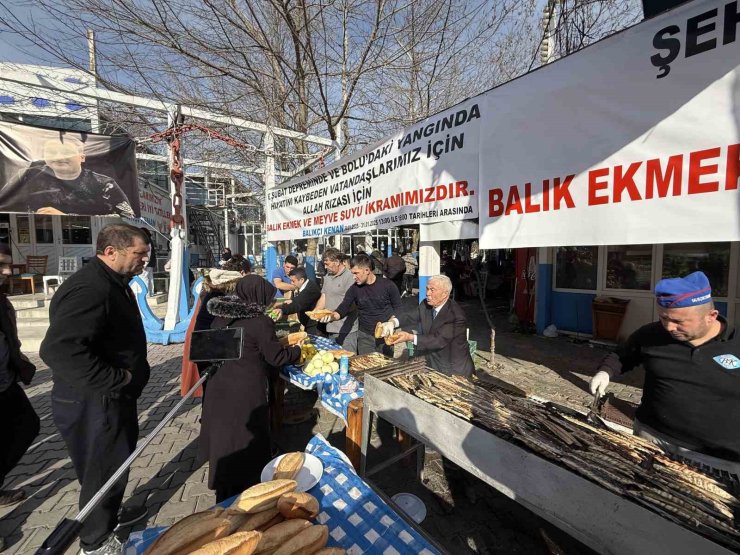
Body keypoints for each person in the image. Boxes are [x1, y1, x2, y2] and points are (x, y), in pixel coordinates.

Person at [39, 224, 151, 555]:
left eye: (146, 253)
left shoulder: (114, 282)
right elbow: (58, 350)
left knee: (110, 465)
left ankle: (108, 516)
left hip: (107, 399)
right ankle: (95, 541)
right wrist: (119, 379)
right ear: (110, 251)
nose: (145, 259)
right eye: (139, 253)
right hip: (95, 401)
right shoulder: (92, 289)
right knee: (103, 470)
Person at [589, 271, 740, 472]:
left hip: (717, 456)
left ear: (710, 317)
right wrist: (606, 372)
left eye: (679, 322)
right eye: (663, 318)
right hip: (650, 437)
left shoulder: (736, 343)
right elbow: (623, 355)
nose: (669, 327)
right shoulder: (651, 335)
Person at [200, 275, 301, 501]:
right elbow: (276, 357)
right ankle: (249, 494)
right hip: (245, 391)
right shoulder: (259, 322)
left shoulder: (221, 317)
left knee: (227, 440)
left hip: (219, 388)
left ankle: (224, 491)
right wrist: (298, 352)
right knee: (246, 439)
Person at [0, 243, 40, 552]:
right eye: (0, 264)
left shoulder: (2, 300)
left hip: (5, 382)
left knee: (28, 425)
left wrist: (18, 361)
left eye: (8, 265)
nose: (6, 271)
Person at [0, 138, 134, 217]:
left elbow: (128, 217)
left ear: (82, 157)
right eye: (52, 152)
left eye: (66, 152)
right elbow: (5, 206)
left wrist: (66, 218)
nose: (59, 157)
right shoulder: (26, 177)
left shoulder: (103, 184)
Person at [180, 257, 251, 398]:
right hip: (213, 345)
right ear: (242, 272)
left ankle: (209, 415)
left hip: (203, 342)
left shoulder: (214, 286)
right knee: (218, 390)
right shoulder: (227, 291)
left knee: (211, 389)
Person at [386, 275, 474, 377]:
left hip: (453, 368)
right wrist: (393, 322)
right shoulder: (426, 304)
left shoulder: (456, 315)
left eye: (432, 290)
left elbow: (437, 340)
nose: (427, 293)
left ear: (445, 293)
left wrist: (410, 337)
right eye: (427, 289)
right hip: (433, 360)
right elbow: (410, 316)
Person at [321, 253, 401, 356]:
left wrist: (392, 322)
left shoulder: (388, 285)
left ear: (367, 270)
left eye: (356, 273)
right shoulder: (354, 289)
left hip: (385, 334)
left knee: (385, 366)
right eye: (352, 273)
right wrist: (332, 316)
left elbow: (399, 308)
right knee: (366, 367)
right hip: (365, 336)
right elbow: (343, 307)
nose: (353, 277)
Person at [312, 248, 358, 353]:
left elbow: (352, 303)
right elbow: (324, 296)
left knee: (347, 362)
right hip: (330, 328)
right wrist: (316, 311)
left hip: (346, 330)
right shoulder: (327, 276)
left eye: (327, 264)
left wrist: (335, 315)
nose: (325, 267)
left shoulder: (350, 277)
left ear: (337, 262)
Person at [274, 267, 321, 334]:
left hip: (315, 326)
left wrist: (282, 309)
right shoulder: (305, 286)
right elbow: (298, 299)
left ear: (301, 280)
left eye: (293, 281)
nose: (291, 283)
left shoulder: (310, 289)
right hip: (308, 324)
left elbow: (298, 304)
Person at [139, 228, 157, 297]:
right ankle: (151, 292)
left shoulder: (147, 241)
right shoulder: (150, 241)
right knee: (149, 278)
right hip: (151, 262)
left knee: (144, 277)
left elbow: (148, 253)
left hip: (147, 261)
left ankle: (146, 294)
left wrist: (145, 262)